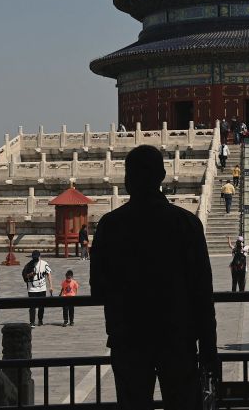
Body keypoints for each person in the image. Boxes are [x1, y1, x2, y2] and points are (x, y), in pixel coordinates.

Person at [90, 145, 218, 409]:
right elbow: (202, 293)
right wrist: (209, 349)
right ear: (162, 175)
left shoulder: (111, 226)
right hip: (178, 338)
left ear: (127, 179)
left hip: (129, 339)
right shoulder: (187, 224)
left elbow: (98, 289)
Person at [23, 250, 53, 326]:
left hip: (42, 288)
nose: (35, 259)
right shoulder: (28, 265)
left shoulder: (44, 264)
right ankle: (32, 322)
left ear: (40, 257)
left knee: (41, 306)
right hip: (32, 289)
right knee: (32, 306)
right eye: (34, 258)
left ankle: (40, 320)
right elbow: (24, 276)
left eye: (36, 258)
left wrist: (51, 286)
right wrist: (30, 275)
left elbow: (48, 274)